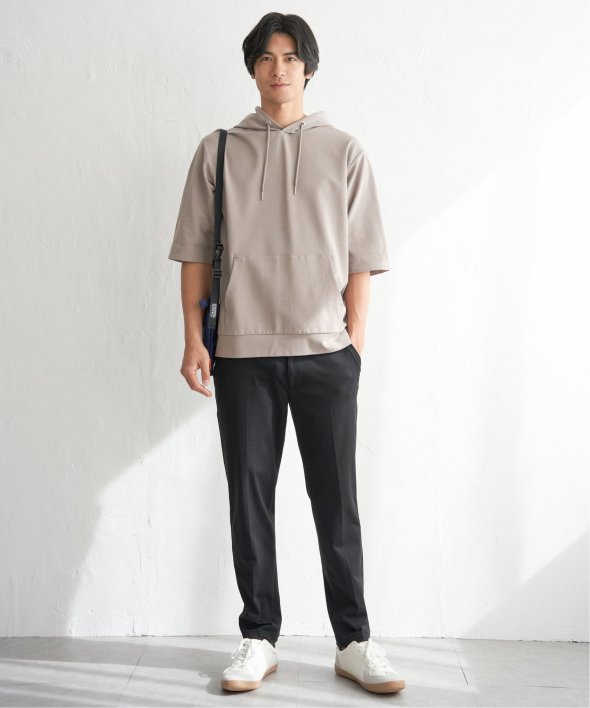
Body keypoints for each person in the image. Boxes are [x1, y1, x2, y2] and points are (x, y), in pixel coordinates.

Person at [168, 11, 406, 696]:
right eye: (267, 57)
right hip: (242, 353)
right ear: (253, 68)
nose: (279, 69)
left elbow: (362, 258)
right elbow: (195, 254)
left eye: (291, 57)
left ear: (309, 68)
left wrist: (354, 345)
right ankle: (258, 637)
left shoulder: (344, 151)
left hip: (326, 353)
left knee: (337, 501)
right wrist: (193, 339)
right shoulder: (218, 150)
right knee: (250, 499)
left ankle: (354, 641)